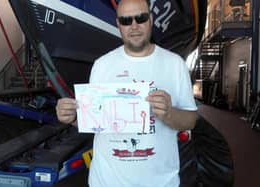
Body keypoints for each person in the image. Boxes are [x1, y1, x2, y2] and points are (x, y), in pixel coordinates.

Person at [56, 0, 197, 186]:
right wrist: (72, 117)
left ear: (151, 19)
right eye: (126, 20)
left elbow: (191, 120)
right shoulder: (102, 65)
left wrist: (169, 114)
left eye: (141, 18)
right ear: (118, 25)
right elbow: (93, 121)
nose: (134, 26)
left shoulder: (174, 64)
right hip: (106, 182)